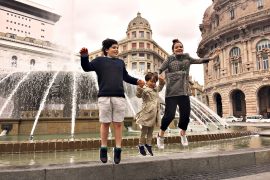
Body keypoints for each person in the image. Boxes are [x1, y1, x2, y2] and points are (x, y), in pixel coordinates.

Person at [80, 38, 145, 164]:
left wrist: (137, 81)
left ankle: (118, 149)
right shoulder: (99, 61)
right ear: (106, 50)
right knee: (105, 123)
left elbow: (125, 77)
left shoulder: (120, 63)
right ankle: (103, 148)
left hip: (119, 97)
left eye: (117, 47)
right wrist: (84, 56)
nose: (116, 49)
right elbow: (86, 67)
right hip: (104, 97)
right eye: (114, 47)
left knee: (118, 124)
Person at [156, 39, 220, 149]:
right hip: (171, 92)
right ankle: (160, 135)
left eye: (181, 46)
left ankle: (183, 133)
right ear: (173, 50)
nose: (179, 48)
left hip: (184, 91)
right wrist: (158, 76)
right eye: (177, 47)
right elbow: (160, 69)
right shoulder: (169, 59)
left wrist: (211, 58)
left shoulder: (187, 58)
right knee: (169, 115)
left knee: (185, 114)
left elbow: (199, 61)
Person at [135, 72, 165, 156]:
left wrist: (161, 81)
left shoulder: (155, 89)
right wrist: (139, 87)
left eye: (155, 81)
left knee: (151, 131)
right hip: (147, 112)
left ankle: (148, 145)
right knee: (144, 130)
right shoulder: (144, 89)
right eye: (151, 81)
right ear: (146, 81)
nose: (153, 83)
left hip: (154, 113)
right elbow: (138, 95)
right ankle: (141, 145)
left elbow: (161, 87)